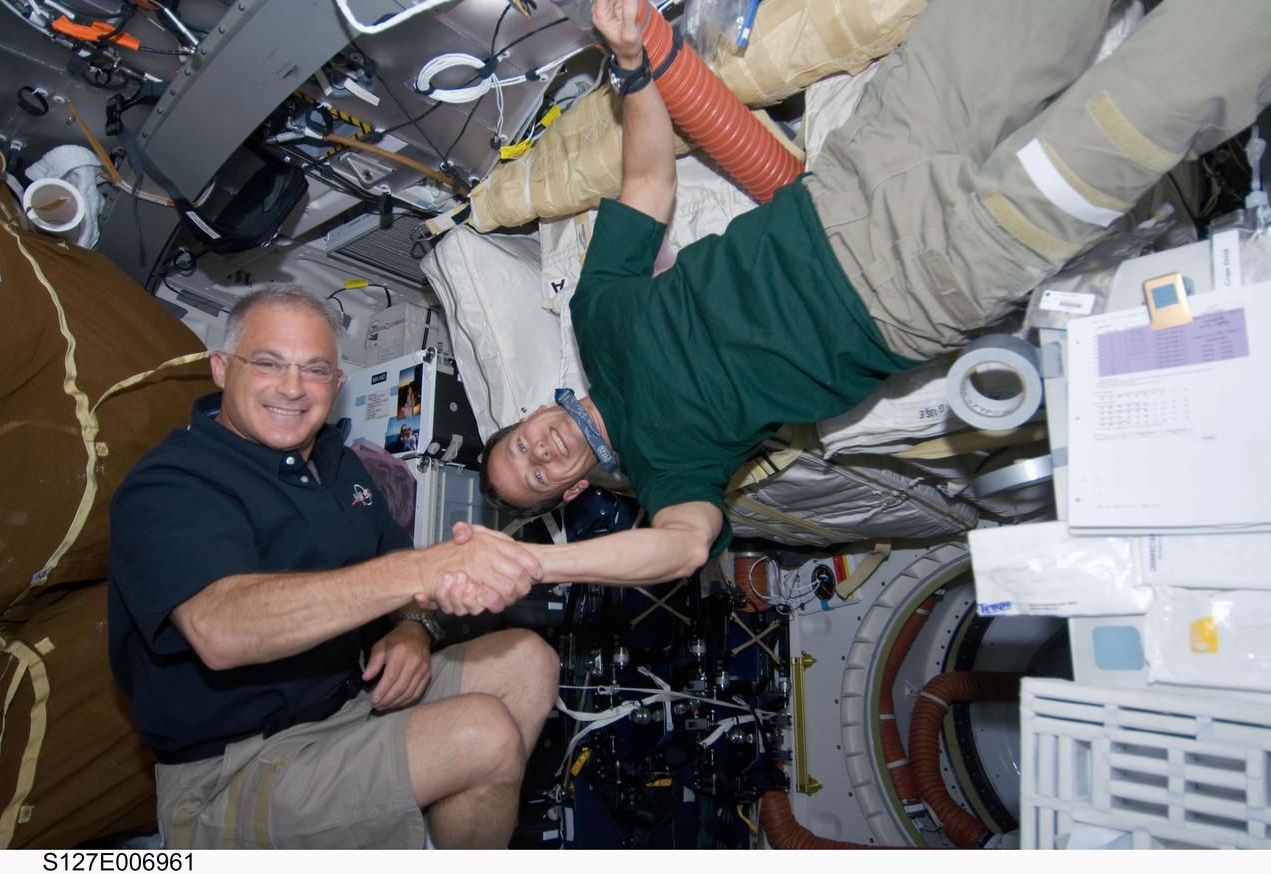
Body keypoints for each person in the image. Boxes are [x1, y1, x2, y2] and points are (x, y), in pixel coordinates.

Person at [482, 0, 1271, 587]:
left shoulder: (597, 317)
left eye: (523, 444)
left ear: (531, 415)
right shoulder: (668, 472)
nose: (542, 453)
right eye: (541, 476)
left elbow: (648, 181)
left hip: (856, 173)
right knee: (1147, 106)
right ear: (575, 486)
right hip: (918, 280)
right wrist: (539, 566)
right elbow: (685, 549)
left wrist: (632, 66)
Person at [108, 284, 557, 849]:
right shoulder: (173, 483)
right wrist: (422, 570)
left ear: (337, 384)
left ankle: (449, 828)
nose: (293, 388)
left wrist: (412, 631)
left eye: (316, 370)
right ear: (222, 369)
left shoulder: (335, 462)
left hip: (348, 706)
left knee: (528, 662)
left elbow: (392, 564)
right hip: (234, 768)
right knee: (482, 735)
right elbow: (223, 629)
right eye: (269, 363)